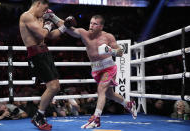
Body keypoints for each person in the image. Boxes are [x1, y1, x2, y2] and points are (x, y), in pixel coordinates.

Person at [51, 15, 137, 128]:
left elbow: (120, 52)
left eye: (95, 24)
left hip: (109, 68)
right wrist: (53, 17)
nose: (91, 25)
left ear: (101, 26)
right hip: (96, 69)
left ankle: (96, 118)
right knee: (109, 94)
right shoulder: (84, 33)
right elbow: (69, 29)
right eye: (91, 23)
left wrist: (110, 50)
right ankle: (128, 104)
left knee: (101, 89)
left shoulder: (108, 36)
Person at [19, 0, 73, 130]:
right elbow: (42, 33)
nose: (45, 11)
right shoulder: (26, 16)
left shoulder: (38, 18)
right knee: (53, 86)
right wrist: (48, 22)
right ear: (38, 3)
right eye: (45, 7)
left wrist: (65, 26)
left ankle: (39, 115)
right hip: (36, 55)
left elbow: (52, 35)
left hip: (45, 53)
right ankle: (39, 116)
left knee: (56, 86)